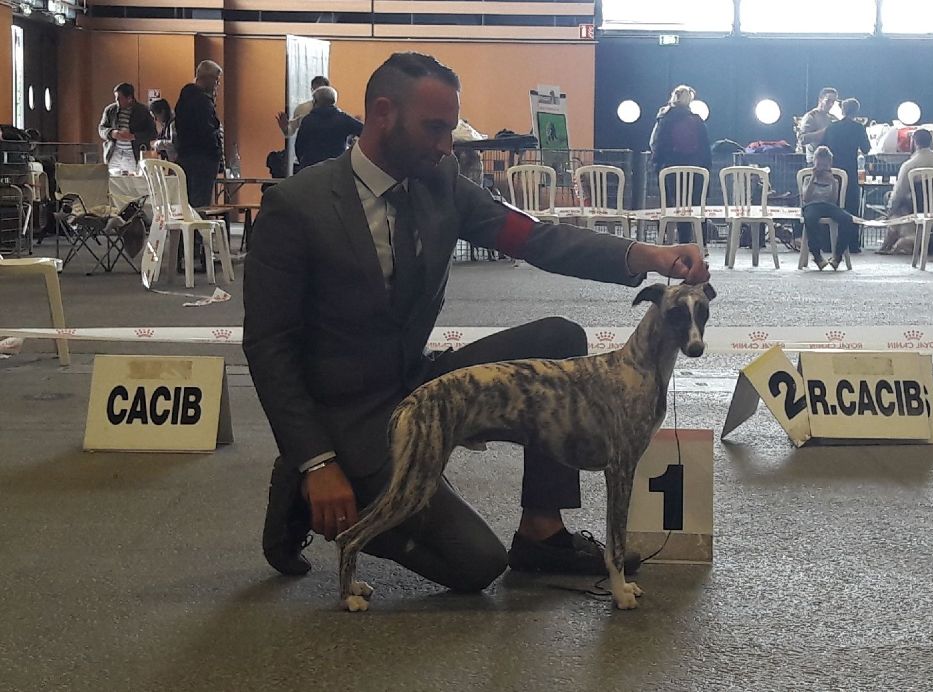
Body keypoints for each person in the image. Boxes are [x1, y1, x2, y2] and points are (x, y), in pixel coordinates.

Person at [243, 52, 710, 590]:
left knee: (559, 338)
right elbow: (269, 348)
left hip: (418, 380)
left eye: (450, 128)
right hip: (344, 417)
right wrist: (316, 460)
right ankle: (301, 490)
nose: (447, 146)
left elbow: (535, 238)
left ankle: (542, 532)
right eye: (434, 128)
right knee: (475, 565)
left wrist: (647, 256)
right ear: (382, 113)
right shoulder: (296, 206)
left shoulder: (442, 185)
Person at [649, 84, 712, 244]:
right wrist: (705, 169)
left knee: (670, 207)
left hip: (669, 171)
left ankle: (667, 242)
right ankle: (701, 245)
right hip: (696, 171)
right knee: (697, 207)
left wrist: (658, 167)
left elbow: (657, 145)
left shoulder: (664, 119)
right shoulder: (697, 120)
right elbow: (706, 149)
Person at [878, 128, 933, 255]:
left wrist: (890, 211)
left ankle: (890, 240)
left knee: (891, 198)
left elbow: (898, 193)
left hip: (915, 208)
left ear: (914, 143)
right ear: (931, 143)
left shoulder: (909, 165)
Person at [822, 97, 871, 251]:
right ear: (856, 111)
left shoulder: (832, 127)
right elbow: (866, 149)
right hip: (850, 171)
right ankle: (852, 244)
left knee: (832, 205)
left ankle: (828, 243)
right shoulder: (859, 128)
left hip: (833, 171)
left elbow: (823, 147)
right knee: (850, 207)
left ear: (842, 110)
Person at [175, 60, 224, 208]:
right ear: (206, 78)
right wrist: (217, 155)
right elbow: (207, 131)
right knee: (201, 205)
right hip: (203, 160)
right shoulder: (202, 101)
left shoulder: (184, 99)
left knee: (187, 203)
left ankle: (189, 231)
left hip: (185, 157)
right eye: (216, 80)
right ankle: (198, 231)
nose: (217, 84)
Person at [800, 146, 858, 270]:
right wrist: (813, 178)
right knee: (810, 218)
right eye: (819, 164)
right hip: (812, 205)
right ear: (814, 162)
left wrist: (832, 182)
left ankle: (837, 255)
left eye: (825, 165)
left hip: (828, 205)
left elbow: (833, 200)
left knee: (847, 219)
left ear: (830, 164)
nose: (822, 168)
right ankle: (817, 256)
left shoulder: (833, 180)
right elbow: (806, 198)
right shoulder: (807, 178)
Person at [294, 86, 364, 170]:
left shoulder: (308, 120)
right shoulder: (343, 119)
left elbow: (299, 146)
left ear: (315, 101)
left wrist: (303, 163)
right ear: (334, 101)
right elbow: (366, 133)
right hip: (337, 167)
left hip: (311, 168)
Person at [97, 83, 157, 175]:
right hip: (114, 153)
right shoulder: (110, 110)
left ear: (129, 98)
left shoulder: (143, 111)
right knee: (112, 182)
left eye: (119, 98)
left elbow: (152, 133)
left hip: (133, 154)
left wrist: (134, 136)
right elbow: (101, 128)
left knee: (131, 182)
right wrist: (111, 133)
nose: (116, 100)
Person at [797, 87, 838, 159]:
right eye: (828, 101)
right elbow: (802, 139)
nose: (831, 104)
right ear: (820, 99)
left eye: (833, 102)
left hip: (831, 161)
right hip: (814, 162)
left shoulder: (833, 118)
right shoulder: (811, 116)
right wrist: (825, 131)